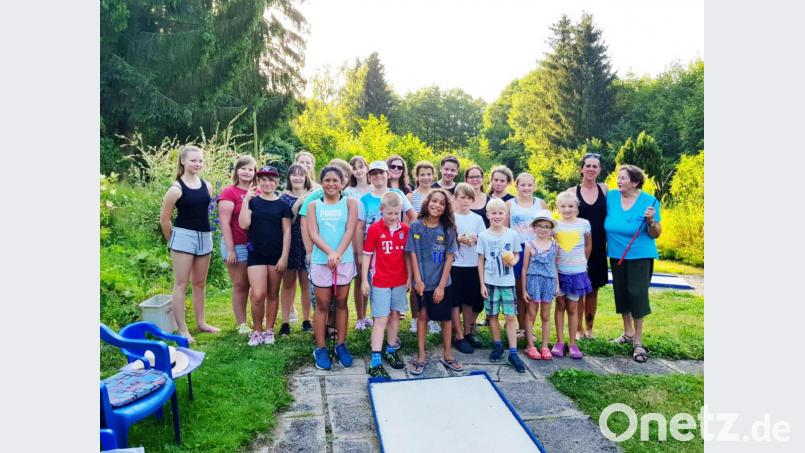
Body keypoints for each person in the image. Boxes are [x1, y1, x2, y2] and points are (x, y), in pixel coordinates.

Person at [159, 145, 219, 342]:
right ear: (183, 161)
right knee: (181, 283)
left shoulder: (207, 186)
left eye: (200, 160)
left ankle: (201, 323)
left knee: (200, 283)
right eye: (193, 160)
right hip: (183, 237)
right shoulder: (175, 189)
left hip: (204, 236)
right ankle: (182, 329)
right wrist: (173, 242)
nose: (198, 164)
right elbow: (164, 220)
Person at [605, 165, 661, 364]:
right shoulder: (611, 197)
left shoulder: (649, 201)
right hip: (616, 255)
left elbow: (656, 233)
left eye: (623, 178)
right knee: (621, 294)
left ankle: (638, 341)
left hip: (640, 255)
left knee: (637, 295)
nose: (619, 181)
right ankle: (627, 332)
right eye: (618, 177)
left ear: (635, 182)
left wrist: (651, 221)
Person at [307, 166, 359, 370]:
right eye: (327, 180)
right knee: (322, 305)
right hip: (322, 261)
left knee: (341, 302)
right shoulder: (313, 206)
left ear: (342, 182)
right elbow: (313, 233)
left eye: (335, 180)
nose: (331, 184)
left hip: (343, 260)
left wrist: (338, 253)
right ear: (322, 182)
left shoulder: (350, 203)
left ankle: (340, 345)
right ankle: (320, 348)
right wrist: (330, 252)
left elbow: (350, 230)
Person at [406, 189, 462, 374]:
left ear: (446, 208)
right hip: (422, 284)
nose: (437, 205)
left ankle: (448, 355)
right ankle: (421, 355)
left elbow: (449, 258)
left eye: (442, 203)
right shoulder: (415, 227)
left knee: (446, 320)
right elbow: (412, 254)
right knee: (422, 317)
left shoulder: (448, 229)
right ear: (427, 202)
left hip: (442, 285)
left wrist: (441, 286)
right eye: (434, 201)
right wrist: (417, 280)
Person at [356, 161, 417, 331]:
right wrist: (359, 251)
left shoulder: (397, 194)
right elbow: (360, 226)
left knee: (395, 284)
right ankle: (365, 318)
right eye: (374, 173)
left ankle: (392, 324)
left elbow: (413, 216)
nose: (378, 176)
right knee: (371, 284)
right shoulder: (365, 199)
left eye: (381, 173)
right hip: (372, 249)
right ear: (369, 177)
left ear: (387, 174)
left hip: (394, 249)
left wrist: (408, 238)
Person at [238, 166, 292, 346]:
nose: (267, 183)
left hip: (276, 254)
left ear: (277, 182)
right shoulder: (253, 202)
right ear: (258, 181)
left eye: (271, 180)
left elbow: (286, 232)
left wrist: (284, 256)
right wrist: (246, 200)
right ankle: (257, 330)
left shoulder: (283, 205)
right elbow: (244, 224)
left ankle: (269, 330)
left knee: (273, 292)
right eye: (263, 179)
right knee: (258, 294)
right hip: (256, 253)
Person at [361, 192, 410, 378]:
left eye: (397, 213)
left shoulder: (404, 229)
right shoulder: (374, 229)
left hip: (399, 279)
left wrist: (409, 278)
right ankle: (375, 359)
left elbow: (407, 256)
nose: (393, 217)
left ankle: (391, 349)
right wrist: (365, 280)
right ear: (381, 210)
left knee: (395, 315)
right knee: (381, 318)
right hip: (380, 279)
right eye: (389, 213)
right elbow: (367, 254)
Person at [477, 198, 525, 373]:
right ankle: (497, 345)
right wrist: (482, 283)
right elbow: (480, 260)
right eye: (494, 213)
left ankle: (513, 352)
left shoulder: (511, 234)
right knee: (492, 315)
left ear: (506, 215)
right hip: (490, 283)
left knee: (510, 316)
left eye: (500, 213)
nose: (497, 216)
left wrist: (513, 260)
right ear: (488, 215)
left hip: (507, 283)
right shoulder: (483, 236)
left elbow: (517, 254)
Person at [216, 155, 256, 335]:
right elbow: (224, 223)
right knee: (240, 285)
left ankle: (257, 318)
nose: (247, 172)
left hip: (255, 245)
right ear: (237, 171)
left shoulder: (259, 191)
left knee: (255, 284)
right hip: (237, 245)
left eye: (251, 169)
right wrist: (231, 250)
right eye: (243, 168)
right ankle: (242, 323)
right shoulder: (229, 192)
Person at [570, 153, 608, 340]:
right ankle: (577, 330)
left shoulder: (606, 190)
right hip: (578, 247)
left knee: (593, 290)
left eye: (595, 166)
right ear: (582, 169)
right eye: (588, 166)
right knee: (578, 290)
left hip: (600, 246)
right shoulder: (572, 191)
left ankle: (589, 329)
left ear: (599, 170)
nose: (591, 169)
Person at [506, 172, 548, 341]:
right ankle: (521, 328)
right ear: (516, 186)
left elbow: (547, 227)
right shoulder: (510, 204)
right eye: (522, 185)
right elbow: (505, 228)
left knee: (532, 289)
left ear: (534, 186)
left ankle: (529, 327)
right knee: (518, 289)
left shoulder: (540, 203)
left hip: (535, 249)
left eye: (529, 185)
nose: (526, 188)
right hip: (517, 250)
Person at [552, 190, 592, 359]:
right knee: (560, 306)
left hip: (577, 273)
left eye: (570, 206)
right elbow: (552, 249)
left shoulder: (584, 224)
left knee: (573, 308)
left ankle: (573, 343)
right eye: (563, 206)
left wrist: (584, 261)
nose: (567, 209)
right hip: (560, 272)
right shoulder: (555, 225)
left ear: (576, 207)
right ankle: (559, 342)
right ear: (558, 208)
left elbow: (588, 245)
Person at [450, 183, 486, 352]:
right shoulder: (451, 218)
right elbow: (446, 239)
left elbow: (483, 238)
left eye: (469, 198)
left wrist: (474, 239)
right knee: (455, 301)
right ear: (455, 199)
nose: (465, 201)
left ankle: (467, 332)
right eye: (462, 197)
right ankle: (457, 335)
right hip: (455, 265)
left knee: (469, 301)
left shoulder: (477, 218)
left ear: (473, 200)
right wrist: (459, 240)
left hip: (472, 265)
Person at [278, 164, 313, 336]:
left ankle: (307, 320)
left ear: (306, 177)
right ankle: (285, 322)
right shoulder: (282, 198)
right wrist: (296, 205)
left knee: (306, 284)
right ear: (289, 177)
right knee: (288, 284)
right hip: (290, 245)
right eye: (294, 175)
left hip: (307, 244)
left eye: (301, 175)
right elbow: (285, 225)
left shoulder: (312, 195)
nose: (297, 178)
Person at [521, 209, 559, 361]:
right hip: (533, 281)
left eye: (546, 227)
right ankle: (530, 345)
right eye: (540, 226)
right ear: (534, 227)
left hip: (548, 282)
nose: (543, 229)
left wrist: (557, 285)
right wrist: (523, 289)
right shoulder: (530, 245)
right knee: (531, 314)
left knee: (545, 315)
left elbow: (554, 266)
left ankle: (544, 346)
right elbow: (524, 268)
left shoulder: (555, 245)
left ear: (551, 229)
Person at [406, 160, 436, 334]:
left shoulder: (438, 194)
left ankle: (432, 318)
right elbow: (408, 222)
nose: (425, 177)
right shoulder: (411, 197)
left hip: (434, 244)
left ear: (433, 176)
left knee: (432, 281)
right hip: (417, 243)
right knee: (416, 282)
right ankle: (415, 318)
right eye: (422, 174)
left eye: (428, 174)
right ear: (416, 177)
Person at [347, 156, 373, 336]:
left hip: (375, 238)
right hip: (356, 238)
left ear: (366, 168)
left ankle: (372, 314)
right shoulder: (349, 191)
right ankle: (360, 317)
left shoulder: (374, 189)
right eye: (354, 168)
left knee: (374, 278)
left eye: (361, 166)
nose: (358, 170)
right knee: (359, 278)